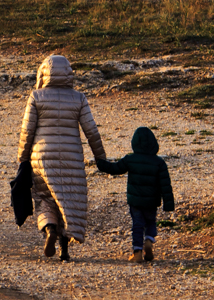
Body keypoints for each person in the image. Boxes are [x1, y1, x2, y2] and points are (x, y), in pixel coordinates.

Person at [15, 54, 107, 262]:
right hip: (71, 157)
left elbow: (27, 131)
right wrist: (100, 157)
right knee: (67, 199)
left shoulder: (36, 97)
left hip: (42, 158)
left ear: (43, 73)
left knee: (45, 198)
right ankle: (65, 249)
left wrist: (22, 158)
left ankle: (49, 229)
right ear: (68, 74)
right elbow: (91, 130)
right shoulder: (78, 98)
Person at [97, 127, 175, 262]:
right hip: (151, 201)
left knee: (137, 224)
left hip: (135, 201)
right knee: (150, 221)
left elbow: (115, 169)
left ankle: (137, 251)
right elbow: (166, 185)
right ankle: (149, 241)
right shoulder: (159, 163)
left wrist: (100, 163)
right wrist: (168, 203)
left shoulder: (130, 159)